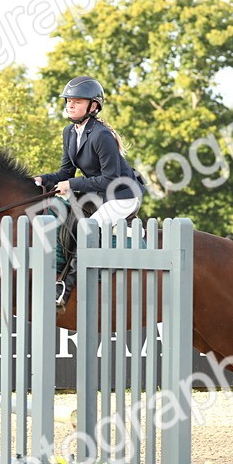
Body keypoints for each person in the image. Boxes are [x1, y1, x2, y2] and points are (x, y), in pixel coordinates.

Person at [33, 76, 146, 308]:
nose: (70, 105)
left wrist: (72, 185)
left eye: (77, 101)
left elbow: (111, 179)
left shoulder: (101, 135)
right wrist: (41, 179)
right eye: (68, 101)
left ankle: (65, 288)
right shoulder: (69, 132)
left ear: (93, 106)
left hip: (122, 195)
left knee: (88, 228)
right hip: (98, 194)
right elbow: (65, 171)